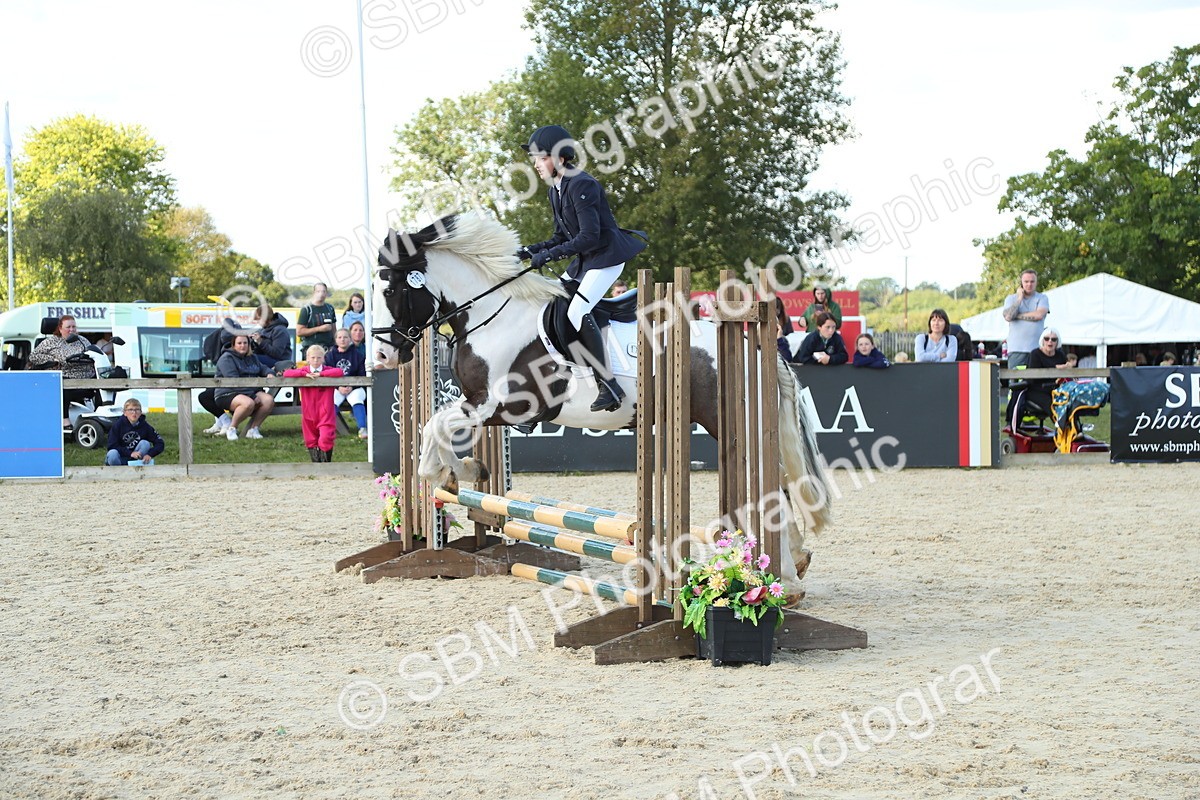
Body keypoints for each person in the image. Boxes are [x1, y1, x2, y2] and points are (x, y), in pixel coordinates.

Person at [516, 124, 647, 413]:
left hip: (606, 258)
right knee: (553, 305)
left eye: (540, 158)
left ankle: (609, 385)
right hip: (587, 260)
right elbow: (560, 237)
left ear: (560, 157)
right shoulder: (557, 190)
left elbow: (588, 237)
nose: (536, 165)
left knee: (577, 311)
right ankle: (555, 380)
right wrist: (530, 251)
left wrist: (548, 256)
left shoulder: (581, 184)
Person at [28, 315, 96, 420]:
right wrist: (53, 360)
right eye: (68, 327)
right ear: (60, 329)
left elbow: (93, 354)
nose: (72, 329)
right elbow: (33, 357)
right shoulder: (51, 341)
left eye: (74, 327)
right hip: (63, 377)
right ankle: (65, 420)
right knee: (63, 389)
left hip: (85, 378)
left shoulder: (83, 341)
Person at [284, 345, 345, 461]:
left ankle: (326, 464)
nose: (316, 361)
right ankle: (316, 464)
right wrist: (304, 375)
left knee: (326, 437)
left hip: (325, 411)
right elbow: (287, 373)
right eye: (312, 358)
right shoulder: (304, 371)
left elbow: (339, 371)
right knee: (310, 439)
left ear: (323, 358)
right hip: (308, 412)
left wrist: (321, 375)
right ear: (307, 358)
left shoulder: (327, 370)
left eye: (318, 358)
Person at [214, 334, 275, 441]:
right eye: (239, 343)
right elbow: (234, 381)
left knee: (268, 400)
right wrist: (251, 396)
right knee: (248, 403)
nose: (243, 346)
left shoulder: (252, 357)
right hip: (227, 392)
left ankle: (253, 429)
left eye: (245, 343)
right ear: (233, 345)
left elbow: (263, 368)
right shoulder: (226, 359)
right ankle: (232, 428)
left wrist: (269, 373)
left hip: (250, 391)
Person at [1008, 328, 1068, 428]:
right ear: (1042, 340)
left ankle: (1075, 427)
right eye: (1047, 338)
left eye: (1053, 339)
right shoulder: (1035, 354)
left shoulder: (1060, 355)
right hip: (1035, 389)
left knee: (1069, 400)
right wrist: (1056, 368)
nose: (1050, 342)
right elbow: (1032, 378)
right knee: (1050, 402)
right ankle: (1062, 426)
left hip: (1055, 388)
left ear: (1057, 342)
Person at [1001, 269, 1049, 368]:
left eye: (1032, 281)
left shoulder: (1042, 298)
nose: (1029, 284)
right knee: (1016, 382)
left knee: (1035, 381)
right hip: (1016, 349)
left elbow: (1038, 315)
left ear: (1036, 282)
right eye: (1026, 282)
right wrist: (1019, 298)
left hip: (1037, 349)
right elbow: (1009, 316)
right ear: (1021, 283)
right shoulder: (1011, 299)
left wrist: (1018, 316)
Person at [326, 328, 368, 439]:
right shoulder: (329, 356)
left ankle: (363, 429)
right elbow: (327, 374)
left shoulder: (358, 356)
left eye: (345, 337)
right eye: (339, 337)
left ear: (350, 339)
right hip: (337, 388)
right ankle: (327, 430)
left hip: (355, 387)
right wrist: (338, 387)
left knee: (356, 399)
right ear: (336, 340)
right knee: (332, 400)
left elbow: (362, 374)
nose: (342, 340)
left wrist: (352, 386)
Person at [105, 398, 164, 466]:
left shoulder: (145, 426)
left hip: (135, 458)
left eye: (137, 410)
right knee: (112, 453)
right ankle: (116, 473)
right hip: (119, 458)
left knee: (145, 443)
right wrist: (130, 453)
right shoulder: (117, 425)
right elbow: (112, 446)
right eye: (130, 410)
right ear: (125, 413)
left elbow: (160, 443)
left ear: (141, 412)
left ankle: (138, 466)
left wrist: (150, 454)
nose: (134, 413)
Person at [779, 312, 847, 365]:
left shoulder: (837, 338)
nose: (831, 330)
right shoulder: (811, 339)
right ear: (819, 327)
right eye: (828, 327)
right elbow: (803, 358)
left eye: (833, 327)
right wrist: (819, 359)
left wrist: (830, 359)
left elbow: (844, 356)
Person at [250, 303, 293, 368]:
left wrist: (260, 341)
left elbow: (276, 353)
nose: (258, 322)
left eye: (259, 319)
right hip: (267, 358)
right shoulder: (263, 330)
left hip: (279, 362)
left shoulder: (280, 330)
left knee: (251, 359)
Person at [297, 282, 337, 351]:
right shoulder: (307, 309)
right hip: (311, 348)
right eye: (318, 291)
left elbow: (334, 329)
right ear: (314, 293)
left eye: (323, 291)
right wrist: (319, 329)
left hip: (328, 347)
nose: (321, 294)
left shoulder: (330, 308)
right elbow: (299, 332)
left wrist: (336, 344)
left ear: (326, 293)